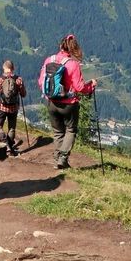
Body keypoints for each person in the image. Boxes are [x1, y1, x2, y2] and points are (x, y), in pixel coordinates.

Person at [37, 34, 96, 169]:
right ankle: (63, 158)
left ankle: (57, 158)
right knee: (70, 130)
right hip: (69, 104)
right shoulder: (73, 65)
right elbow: (80, 87)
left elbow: (41, 82)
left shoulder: (49, 60)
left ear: (60, 46)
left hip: (52, 102)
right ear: (72, 49)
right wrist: (91, 85)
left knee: (58, 131)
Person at [0, 60, 26, 156]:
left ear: (3, 68)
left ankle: (6, 144)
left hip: (1, 107)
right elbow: (23, 94)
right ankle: (10, 148)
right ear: (13, 68)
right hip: (13, 108)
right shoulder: (18, 80)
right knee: (12, 128)